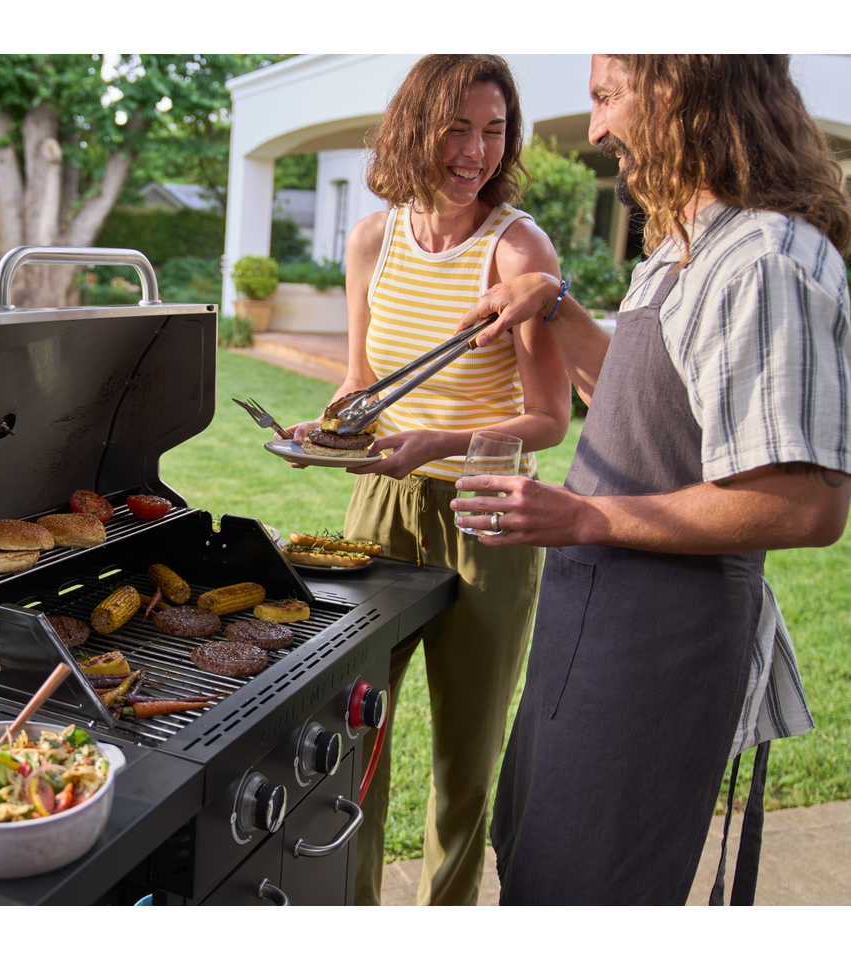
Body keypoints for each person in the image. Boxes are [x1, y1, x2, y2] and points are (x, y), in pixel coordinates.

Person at [453, 55, 851, 905]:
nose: (595, 129)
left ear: (682, 92)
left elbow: (807, 502)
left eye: (606, 98)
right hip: (587, 628)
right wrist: (554, 305)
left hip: (657, 652)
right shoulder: (682, 245)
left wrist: (584, 517)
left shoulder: (765, 260)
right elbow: (642, 396)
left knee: (592, 880)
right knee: (537, 858)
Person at [287, 54, 570, 906]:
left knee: (465, 757)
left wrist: (438, 439)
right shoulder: (372, 237)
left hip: (486, 513)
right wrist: (332, 422)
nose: (475, 151)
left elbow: (551, 419)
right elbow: (364, 377)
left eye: (493, 131)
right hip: (381, 507)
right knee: (353, 727)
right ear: (417, 124)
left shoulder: (518, 247)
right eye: (458, 126)